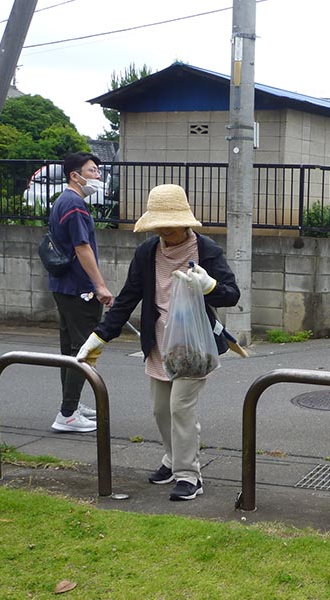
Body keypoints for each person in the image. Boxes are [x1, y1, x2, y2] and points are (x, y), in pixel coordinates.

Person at [76, 184, 240, 501]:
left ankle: (189, 475)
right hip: (159, 342)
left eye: (171, 222)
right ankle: (171, 457)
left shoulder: (206, 251)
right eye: (160, 223)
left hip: (194, 345)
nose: (166, 229)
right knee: (161, 410)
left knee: (180, 409)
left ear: (185, 221)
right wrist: (99, 337)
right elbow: (126, 299)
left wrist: (209, 285)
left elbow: (231, 294)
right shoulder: (148, 252)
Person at [48, 152, 114, 434]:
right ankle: (67, 414)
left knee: (69, 348)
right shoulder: (74, 204)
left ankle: (71, 406)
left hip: (63, 287)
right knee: (83, 349)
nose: (97, 176)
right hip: (79, 290)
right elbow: (82, 247)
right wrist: (99, 285)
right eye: (92, 171)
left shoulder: (64, 201)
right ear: (75, 175)